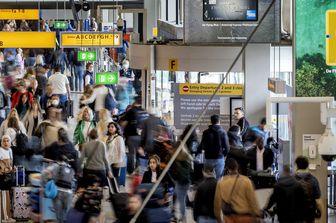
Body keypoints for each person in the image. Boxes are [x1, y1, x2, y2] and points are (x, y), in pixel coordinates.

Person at [214, 158, 261, 223]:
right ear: (237, 167)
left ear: (227, 169)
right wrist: (257, 215)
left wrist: (219, 219)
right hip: (245, 218)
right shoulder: (246, 181)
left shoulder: (221, 183)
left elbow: (217, 204)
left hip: (229, 219)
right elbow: (252, 200)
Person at [120, 96, 148, 174]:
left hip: (132, 136)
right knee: (139, 153)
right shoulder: (144, 112)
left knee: (131, 154)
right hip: (142, 136)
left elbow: (123, 122)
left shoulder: (131, 111)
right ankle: (139, 170)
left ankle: (131, 170)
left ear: (135, 102)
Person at [199, 114, 229, 179]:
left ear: (211, 121)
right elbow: (227, 147)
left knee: (207, 178)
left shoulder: (205, 132)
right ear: (219, 121)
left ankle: (208, 189)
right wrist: (223, 155)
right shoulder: (223, 132)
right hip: (219, 157)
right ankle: (218, 189)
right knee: (219, 179)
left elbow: (202, 145)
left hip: (208, 158)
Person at [295, 156, 321, 223]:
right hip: (310, 210)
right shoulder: (313, 179)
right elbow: (318, 195)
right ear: (307, 166)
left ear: (297, 166)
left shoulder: (292, 179)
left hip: (296, 210)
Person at [0, 135, 15, 222]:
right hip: (2, 177)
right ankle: (4, 217)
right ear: (1, 142)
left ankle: (7, 216)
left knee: (7, 195)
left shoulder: (10, 150)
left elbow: (10, 164)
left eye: (7, 141)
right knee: (3, 195)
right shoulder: (0, 151)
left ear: (10, 142)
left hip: (8, 176)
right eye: (4, 141)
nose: (6, 143)